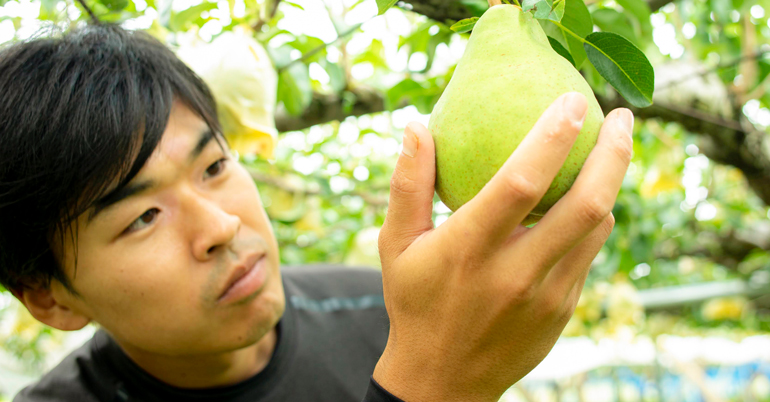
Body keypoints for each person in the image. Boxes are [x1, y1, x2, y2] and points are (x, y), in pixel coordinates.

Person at [0, 24, 633, 402]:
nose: (221, 227)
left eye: (214, 167)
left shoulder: (390, 310)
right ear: (48, 297)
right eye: (142, 217)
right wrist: (434, 386)